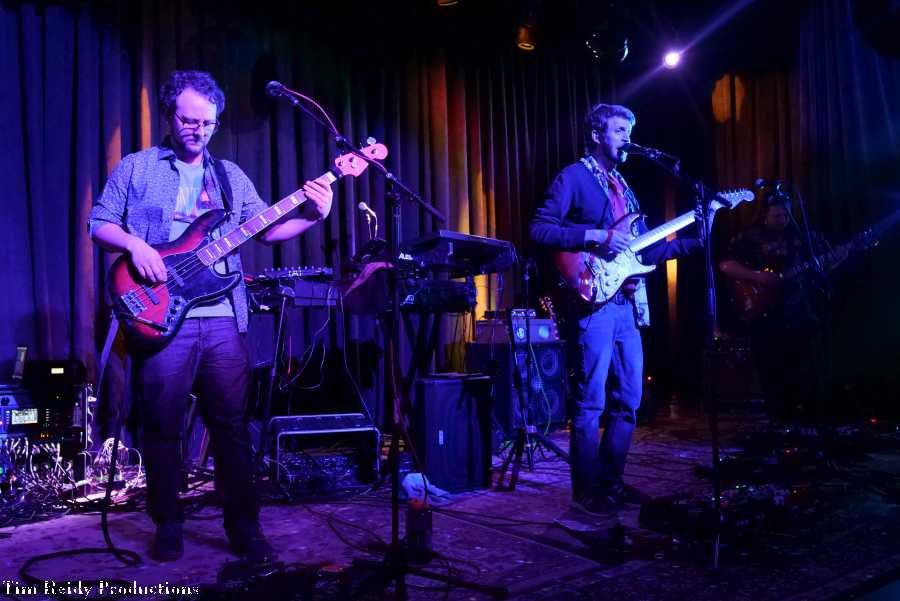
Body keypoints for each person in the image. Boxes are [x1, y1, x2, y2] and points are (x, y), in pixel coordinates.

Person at [88, 70, 334, 562]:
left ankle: (244, 526)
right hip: (161, 314)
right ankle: (168, 523)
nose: (197, 130)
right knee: (162, 427)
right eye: (188, 120)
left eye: (207, 123)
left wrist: (312, 215)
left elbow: (266, 230)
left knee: (232, 427)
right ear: (169, 115)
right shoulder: (138, 168)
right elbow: (99, 223)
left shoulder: (230, 176)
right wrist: (135, 245)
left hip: (223, 316)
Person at [530, 103, 701, 515]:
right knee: (590, 401)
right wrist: (597, 236)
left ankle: (612, 482)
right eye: (620, 130)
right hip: (593, 302)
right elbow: (540, 229)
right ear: (596, 134)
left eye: (630, 130)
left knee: (630, 398)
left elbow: (645, 250)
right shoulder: (573, 177)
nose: (628, 138)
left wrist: (701, 234)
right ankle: (586, 491)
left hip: (626, 304)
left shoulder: (624, 186)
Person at [719, 190, 842, 421]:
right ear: (765, 214)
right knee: (771, 370)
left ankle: (805, 419)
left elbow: (823, 263)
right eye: (777, 215)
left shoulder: (803, 235)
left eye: (785, 214)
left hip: (799, 310)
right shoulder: (749, 237)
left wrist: (837, 257)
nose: (782, 219)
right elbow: (726, 265)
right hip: (765, 313)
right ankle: (777, 419)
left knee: (805, 367)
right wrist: (757, 276)